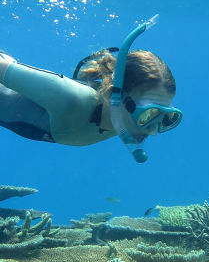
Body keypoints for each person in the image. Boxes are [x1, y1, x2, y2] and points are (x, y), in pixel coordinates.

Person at [0, 15, 182, 162]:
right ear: (116, 94)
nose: (153, 131)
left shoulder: (119, 121)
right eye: (148, 115)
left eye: (167, 119)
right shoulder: (72, 99)